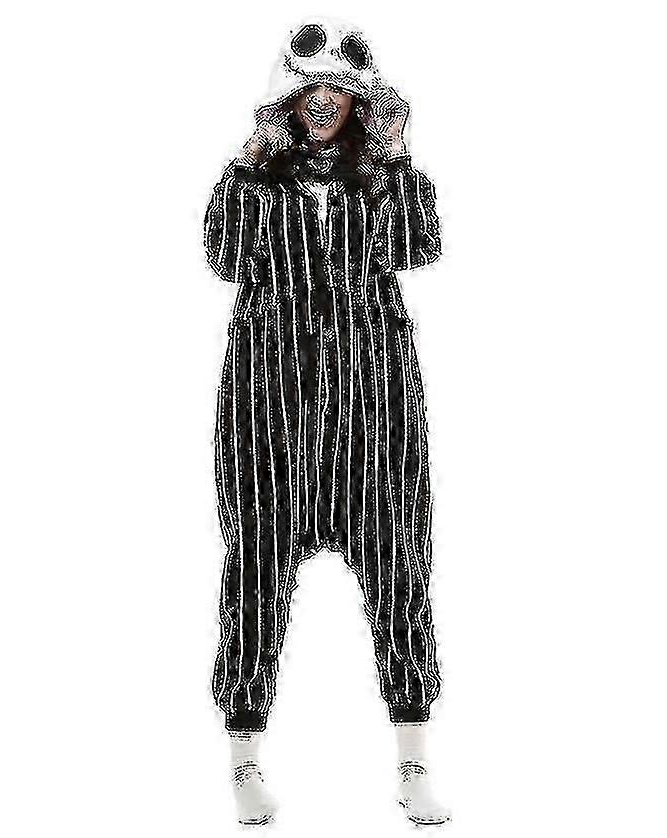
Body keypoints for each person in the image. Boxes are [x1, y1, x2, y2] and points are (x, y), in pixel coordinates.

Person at [203, 17, 450, 826]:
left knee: (399, 569)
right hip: (267, 401)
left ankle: (414, 762)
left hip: (374, 403)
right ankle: (244, 762)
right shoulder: (257, 183)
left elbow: (419, 246)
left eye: (338, 91)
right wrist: (248, 159)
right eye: (309, 87)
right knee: (254, 572)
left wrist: (397, 152)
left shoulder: (380, 180)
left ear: (358, 103)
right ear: (288, 95)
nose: (321, 102)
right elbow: (223, 257)